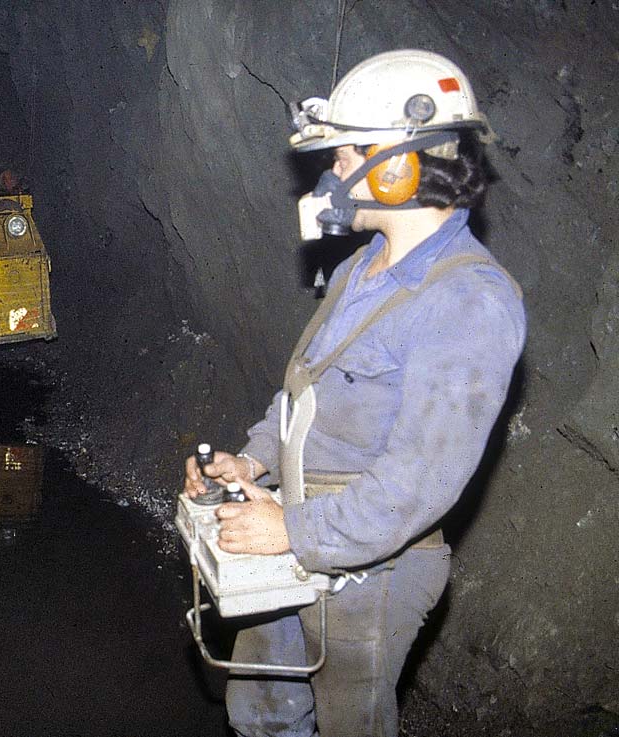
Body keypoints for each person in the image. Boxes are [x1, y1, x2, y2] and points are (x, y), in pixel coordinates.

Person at [182, 49, 526, 737]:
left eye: (344, 155)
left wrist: (291, 530)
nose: (332, 171)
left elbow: (419, 484)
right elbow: (306, 390)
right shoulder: (363, 267)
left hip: (371, 573)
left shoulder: (467, 301)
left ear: (398, 163)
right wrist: (253, 464)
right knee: (262, 711)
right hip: (300, 535)